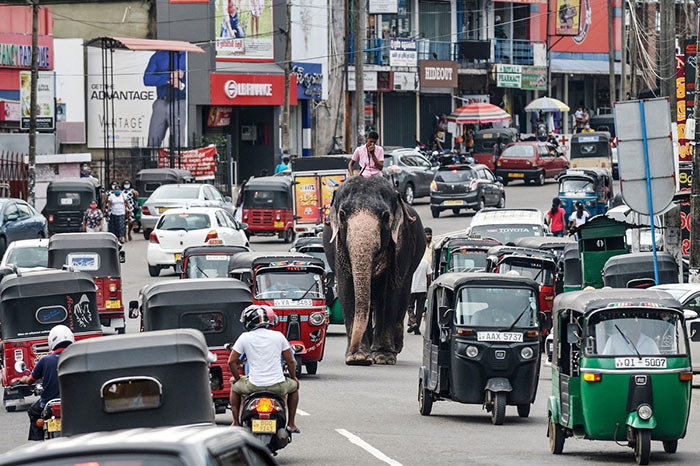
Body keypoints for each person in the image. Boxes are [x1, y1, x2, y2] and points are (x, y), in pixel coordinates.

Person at [228, 305, 300, 432]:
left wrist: (237, 378)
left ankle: (235, 422)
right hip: (278, 386)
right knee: (294, 387)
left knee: (234, 388)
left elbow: (231, 361)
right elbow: (291, 361)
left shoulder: (244, 337)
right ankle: (292, 423)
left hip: (253, 385)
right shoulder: (279, 336)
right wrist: (294, 378)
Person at [19, 325, 74, 441]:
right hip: (73, 401)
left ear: (52, 341)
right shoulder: (76, 357)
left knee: (33, 412)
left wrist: (23, 379)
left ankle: (39, 442)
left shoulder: (45, 360)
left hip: (48, 402)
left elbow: (30, 380)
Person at [144, 50, 186, 148]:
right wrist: (169, 77)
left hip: (180, 102)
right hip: (161, 102)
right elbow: (147, 79)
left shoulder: (186, 56)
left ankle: (176, 162)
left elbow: (196, 80)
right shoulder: (158, 55)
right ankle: (152, 162)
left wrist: (182, 86)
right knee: (153, 139)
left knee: (178, 142)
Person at [407, 258, 432, 335]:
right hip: (422, 288)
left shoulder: (411, 262)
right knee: (419, 309)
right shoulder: (425, 263)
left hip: (412, 288)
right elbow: (429, 276)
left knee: (409, 307)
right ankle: (416, 328)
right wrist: (427, 287)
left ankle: (413, 321)